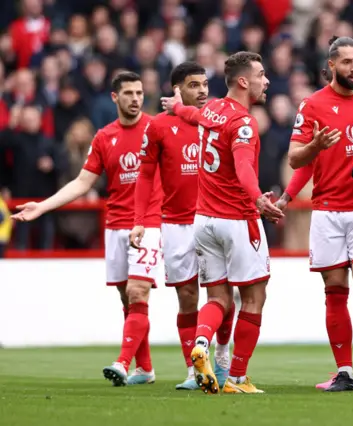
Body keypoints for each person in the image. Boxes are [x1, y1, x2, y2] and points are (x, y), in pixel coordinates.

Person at [12, 72, 164, 386]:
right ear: (115, 98)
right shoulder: (104, 138)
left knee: (138, 292)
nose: (136, 98)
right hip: (116, 225)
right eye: (129, 93)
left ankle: (123, 363)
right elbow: (82, 183)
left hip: (148, 222)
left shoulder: (156, 128)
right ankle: (145, 369)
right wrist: (42, 205)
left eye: (139, 93)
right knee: (128, 301)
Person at [276, 36, 353, 392]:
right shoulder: (312, 106)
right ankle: (343, 371)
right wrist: (289, 193)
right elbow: (299, 160)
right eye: (347, 62)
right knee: (335, 289)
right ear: (331, 66)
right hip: (327, 211)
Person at [161, 51, 283, 394]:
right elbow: (244, 166)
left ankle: (201, 344)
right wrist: (258, 196)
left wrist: (175, 108)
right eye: (261, 74)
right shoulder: (244, 122)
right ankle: (238, 378)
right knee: (254, 299)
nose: (266, 80)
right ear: (244, 81)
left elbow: (191, 114)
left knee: (218, 299)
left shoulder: (212, 109)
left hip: (203, 220)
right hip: (237, 219)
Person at [132, 61, 235, 390]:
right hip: (176, 223)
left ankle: (221, 359)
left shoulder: (216, 121)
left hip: (215, 218)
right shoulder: (158, 126)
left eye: (205, 84)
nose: (203, 90)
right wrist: (138, 221)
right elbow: (146, 175)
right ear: (176, 89)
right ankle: (194, 371)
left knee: (222, 293)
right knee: (188, 296)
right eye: (194, 85)